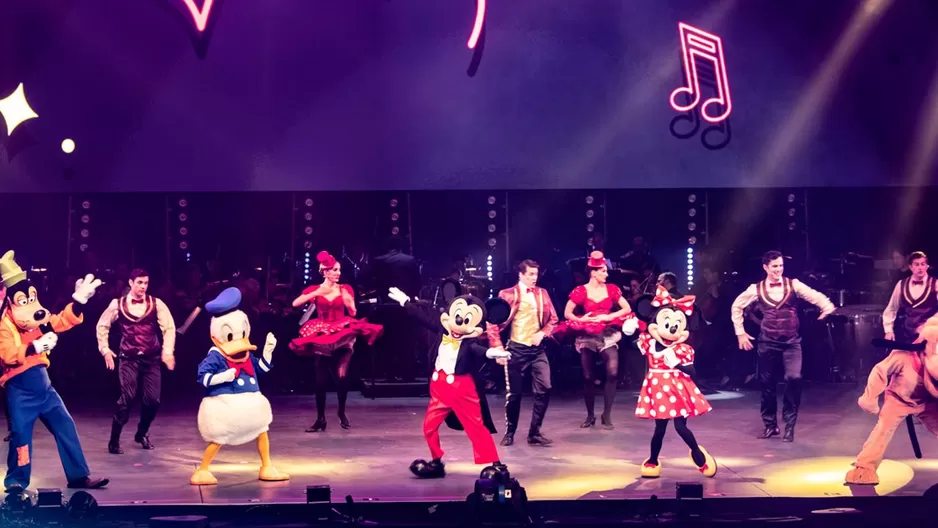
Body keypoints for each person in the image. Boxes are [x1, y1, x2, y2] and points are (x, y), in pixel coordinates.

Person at [0, 251, 108, 493]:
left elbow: (59, 322)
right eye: (23, 300)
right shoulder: (4, 325)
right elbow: (7, 353)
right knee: (20, 437)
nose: (32, 306)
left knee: (65, 426)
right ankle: (16, 481)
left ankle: (78, 476)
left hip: (45, 388)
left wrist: (78, 302)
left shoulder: (36, 319)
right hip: (20, 391)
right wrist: (34, 346)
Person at [731, 251, 835, 442]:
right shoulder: (756, 289)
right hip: (767, 342)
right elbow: (737, 306)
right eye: (774, 266)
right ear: (765, 267)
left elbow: (815, 296)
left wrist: (826, 308)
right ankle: (770, 425)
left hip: (791, 342)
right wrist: (740, 333)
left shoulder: (793, 284)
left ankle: (789, 425)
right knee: (767, 384)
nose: (778, 269)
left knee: (794, 378)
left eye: (780, 266)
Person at [289, 251, 383, 432]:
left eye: (339, 270)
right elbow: (295, 304)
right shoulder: (315, 289)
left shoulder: (344, 288)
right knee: (320, 381)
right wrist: (316, 292)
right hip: (322, 334)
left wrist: (349, 301)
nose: (338, 273)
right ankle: (320, 419)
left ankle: (341, 412)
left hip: (341, 334)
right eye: (334, 270)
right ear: (324, 271)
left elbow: (353, 312)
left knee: (342, 377)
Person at [97, 269, 177, 454]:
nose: (143, 286)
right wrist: (105, 349)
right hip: (128, 359)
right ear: (131, 283)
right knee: (127, 398)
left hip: (151, 359)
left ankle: (142, 433)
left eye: (146, 283)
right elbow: (102, 325)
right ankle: (114, 439)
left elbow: (169, 328)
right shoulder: (117, 304)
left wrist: (167, 352)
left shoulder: (156, 303)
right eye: (139, 282)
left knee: (153, 400)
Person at [553, 251, 636, 429]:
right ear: (594, 272)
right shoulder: (581, 290)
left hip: (606, 332)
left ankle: (607, 414)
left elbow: (627, 308)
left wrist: (608, 317)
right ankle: (590, 415)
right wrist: (583, 320)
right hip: (588, 334)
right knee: (588, 376)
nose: (606, 274)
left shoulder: (611, 289)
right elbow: (567, 312)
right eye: (603, 271)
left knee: (612, 372)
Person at [485, 260, 558, 447]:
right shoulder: (507, 294)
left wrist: (542, 333)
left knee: (545, 387)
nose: (534, 278)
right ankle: (510, 432)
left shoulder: (542, 293)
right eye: (530, 274)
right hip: (516, 349)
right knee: (514, 394)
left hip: (537, 351)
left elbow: (554, 319)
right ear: (521, 275)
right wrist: (498, 348)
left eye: (536, 274)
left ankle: (534, 433)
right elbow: (492, 321)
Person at [883, 252, 937, 344]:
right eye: (916, 264)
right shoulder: (901, 284)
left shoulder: (935, 284)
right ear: (911, 267)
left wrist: (928, 326)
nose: (920, 268)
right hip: (907, 335)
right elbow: (891, 308)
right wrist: (888, 331)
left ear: (926, 266)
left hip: (929, 337)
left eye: (923, 264)